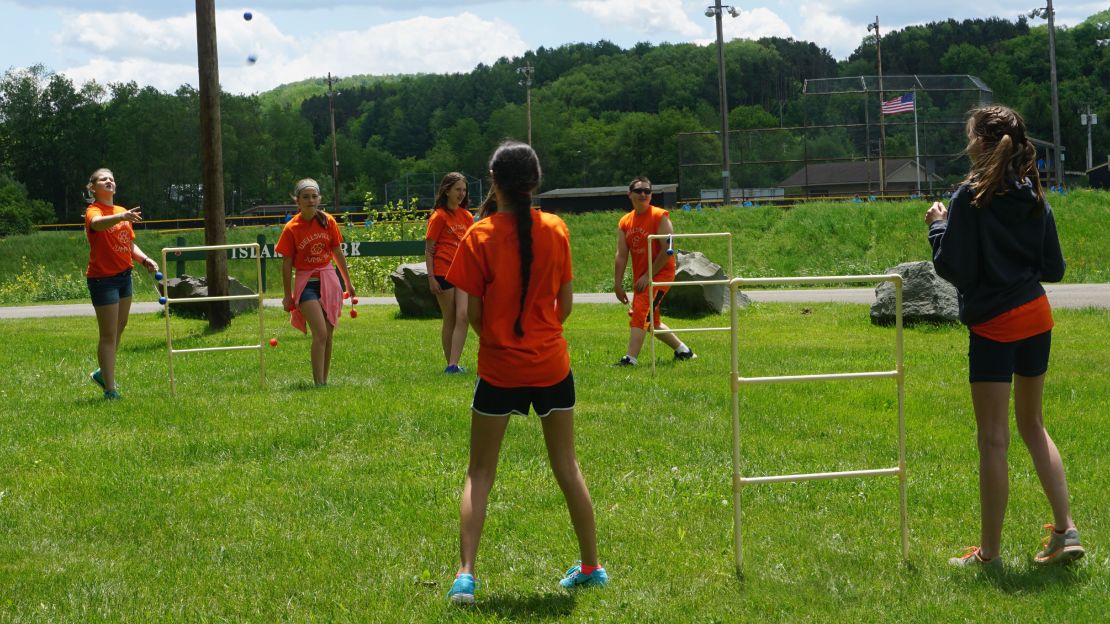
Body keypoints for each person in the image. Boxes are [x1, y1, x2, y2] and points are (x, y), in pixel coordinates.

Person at [443, 141, 607, 604]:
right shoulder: (557, 228)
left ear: (493, 182)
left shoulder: (477, 236)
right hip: (552, 364)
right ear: (534, 181)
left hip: (498, 369)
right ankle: (592, 566)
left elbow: (470, 315)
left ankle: (465, 577)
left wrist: (498, 342)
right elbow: (567, 305)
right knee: (567, 467)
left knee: (479, 472)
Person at [926, 105, 1083, 569]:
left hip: (995, 325)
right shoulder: (1034, 196)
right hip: (1037, 318)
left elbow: (950, 266)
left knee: (993, 440)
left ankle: (990, 554)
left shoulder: (967, 199)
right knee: (1033, 426)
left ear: (978, 143)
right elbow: (1053, 269)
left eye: (968, 134)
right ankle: (1066, 529)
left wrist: (937, 226)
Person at [83, 168, 160, 400]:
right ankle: (109, 389)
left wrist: (144, 259)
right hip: (102, 279)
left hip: (124, 276)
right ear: (93, 187)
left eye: (112, 179)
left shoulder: (121, 210)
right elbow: (97, 225)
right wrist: (121, 217)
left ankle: (101, 373)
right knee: (108, 334)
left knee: (120, 326)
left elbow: (128, 244)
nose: (109, 181)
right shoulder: (93, 210)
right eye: (103, 179)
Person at [276, 179, 355, 387]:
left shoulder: (328, 221)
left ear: (319, 198)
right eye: (306, 197)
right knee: (319, 332)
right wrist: (287, 295)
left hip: (329, 281)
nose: (311, 200)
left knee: (328, 336)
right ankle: (318, 383)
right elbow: (286, 264)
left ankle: (324, 382)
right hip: (307, 285)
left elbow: (337, 252)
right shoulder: (291, 227)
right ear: (297, 201)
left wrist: (348, 283)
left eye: (314, 196)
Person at [613, 176, 695, 366]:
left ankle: (630, 359)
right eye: (639, 191)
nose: (643, 194)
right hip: (642, 277)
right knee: (653, 323)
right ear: (629, 194)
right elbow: (621, 255)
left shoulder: (660, 216)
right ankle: (684, 351)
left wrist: (649, 275)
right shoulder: (625, 222)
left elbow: (669, 250)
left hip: (660, 274)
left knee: (640, 314)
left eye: (647, 191)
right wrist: (617, 284)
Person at [425, 172, 474, 374]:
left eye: (464, 190)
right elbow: (429, 250)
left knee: (463, 315)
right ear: (446, 191)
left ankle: (454, 364)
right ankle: (450, 365)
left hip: (463, 272)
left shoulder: (467, 216)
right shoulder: (438, 217)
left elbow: (472, 246)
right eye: (457, 190)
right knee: (450, 318)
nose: (461, 194)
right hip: (443, 272)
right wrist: (431, 278)